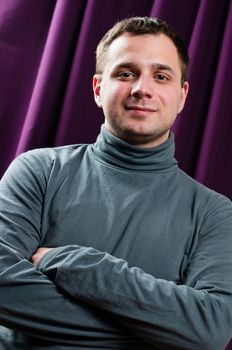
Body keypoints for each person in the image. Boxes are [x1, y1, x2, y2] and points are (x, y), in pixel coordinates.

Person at [0, 16, 232, 350]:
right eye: (126, 73)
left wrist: (78, 265)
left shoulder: (213, 213)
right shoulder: (40, 170)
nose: (142, 89)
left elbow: (211, 329)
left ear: (182, 96)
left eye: (161, 76)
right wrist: (153, 332)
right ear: (98, 88)